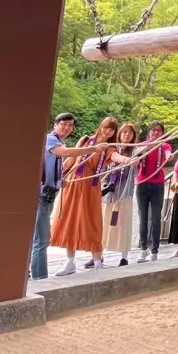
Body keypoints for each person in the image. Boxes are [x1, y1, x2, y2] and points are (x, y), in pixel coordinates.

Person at [52, 116, 137, 276]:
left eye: (111, 129)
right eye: (106, 127)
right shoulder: (85, 141)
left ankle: (98, 263)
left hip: (90, 188)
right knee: (69, 221)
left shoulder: (109, 148)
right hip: (73, 184)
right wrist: (59, 176)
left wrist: (128, 159)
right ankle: (70, 262)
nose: (107, 131)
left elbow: (115, 158)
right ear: (101, 127)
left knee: (92, 223)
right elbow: (70, 160)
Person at [30, 113, 103, 280]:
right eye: (63, 124)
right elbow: (66, 153)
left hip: (49, 193)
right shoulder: (51, 140)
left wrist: (59, 180)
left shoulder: (59, 141)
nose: (66, 128)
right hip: (41, 195)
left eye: (70, 126)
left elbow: (54, 164)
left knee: (40, 238)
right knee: (41, 240)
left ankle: (33, 274)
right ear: (55, 125)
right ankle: (40, 278)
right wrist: (93, 149)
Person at [92, 121, 138, 268]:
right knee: (104, 222)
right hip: (109, 191)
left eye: (130, 133)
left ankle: (124, 256)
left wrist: (133, 160)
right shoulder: (111, 149)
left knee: (123, 223)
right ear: (119, 134)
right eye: (124, 132)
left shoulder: (135, 151)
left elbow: (147, 147)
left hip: (125, 192)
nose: (127, 135)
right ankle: (99, 254)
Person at [136, 121, 173, 263]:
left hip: (157, 185)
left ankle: (155, 250)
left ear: (162, 133)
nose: (155, 133)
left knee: (156, 218)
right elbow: (136, 155)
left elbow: (168, 153)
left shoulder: (164, 146)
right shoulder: (141, 146)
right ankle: (143, 248)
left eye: (158, 131)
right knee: (143, 217)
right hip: (142, 184)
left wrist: (169, 156)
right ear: (149, 132)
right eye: (153, 130)